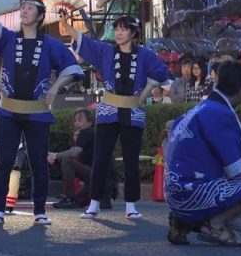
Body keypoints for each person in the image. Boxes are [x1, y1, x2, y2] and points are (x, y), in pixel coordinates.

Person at [0, 0, 83, 226]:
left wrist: (56, 87)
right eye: (22, 7)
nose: (23, 11)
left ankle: (39, 211)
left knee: (38, 163)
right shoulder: (9, 40)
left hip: (37, 112)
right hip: (9, 110)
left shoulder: (51, 44)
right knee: (4, 161)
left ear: (40, 16)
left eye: (29, 8)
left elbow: (73, 69)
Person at [62, 13, 168, 220]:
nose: (118, 33)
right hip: (109, 111)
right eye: (116, 29)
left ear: (134, 32)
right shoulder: (106, 51)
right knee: (101, 158)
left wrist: (145, 92)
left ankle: (131, 205)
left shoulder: (145, 55)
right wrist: (66, 25)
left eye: (123, 29)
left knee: (131, 160)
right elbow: (86, 43)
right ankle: (94, 203)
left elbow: (160, 73)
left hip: (133, 112)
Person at [166, 61, 241, 245]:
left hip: (178, 193)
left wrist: (240, 201)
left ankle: (186, 221)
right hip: (194, 192)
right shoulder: (219, 113)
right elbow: (238, 169)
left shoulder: (200, 109)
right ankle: (212, 223)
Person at [50, 108, 112, 210]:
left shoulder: (86, 132)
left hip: (98, 179)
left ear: (90, 122)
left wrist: (54, 155)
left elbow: (74, 153)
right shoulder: (95, 134)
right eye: (75, 121)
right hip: (106, 185)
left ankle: (69, 198)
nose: (77, 123)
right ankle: (99, 200)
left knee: (67, 162)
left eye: (80, 120)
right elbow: (78, 159)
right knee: (78, 201)